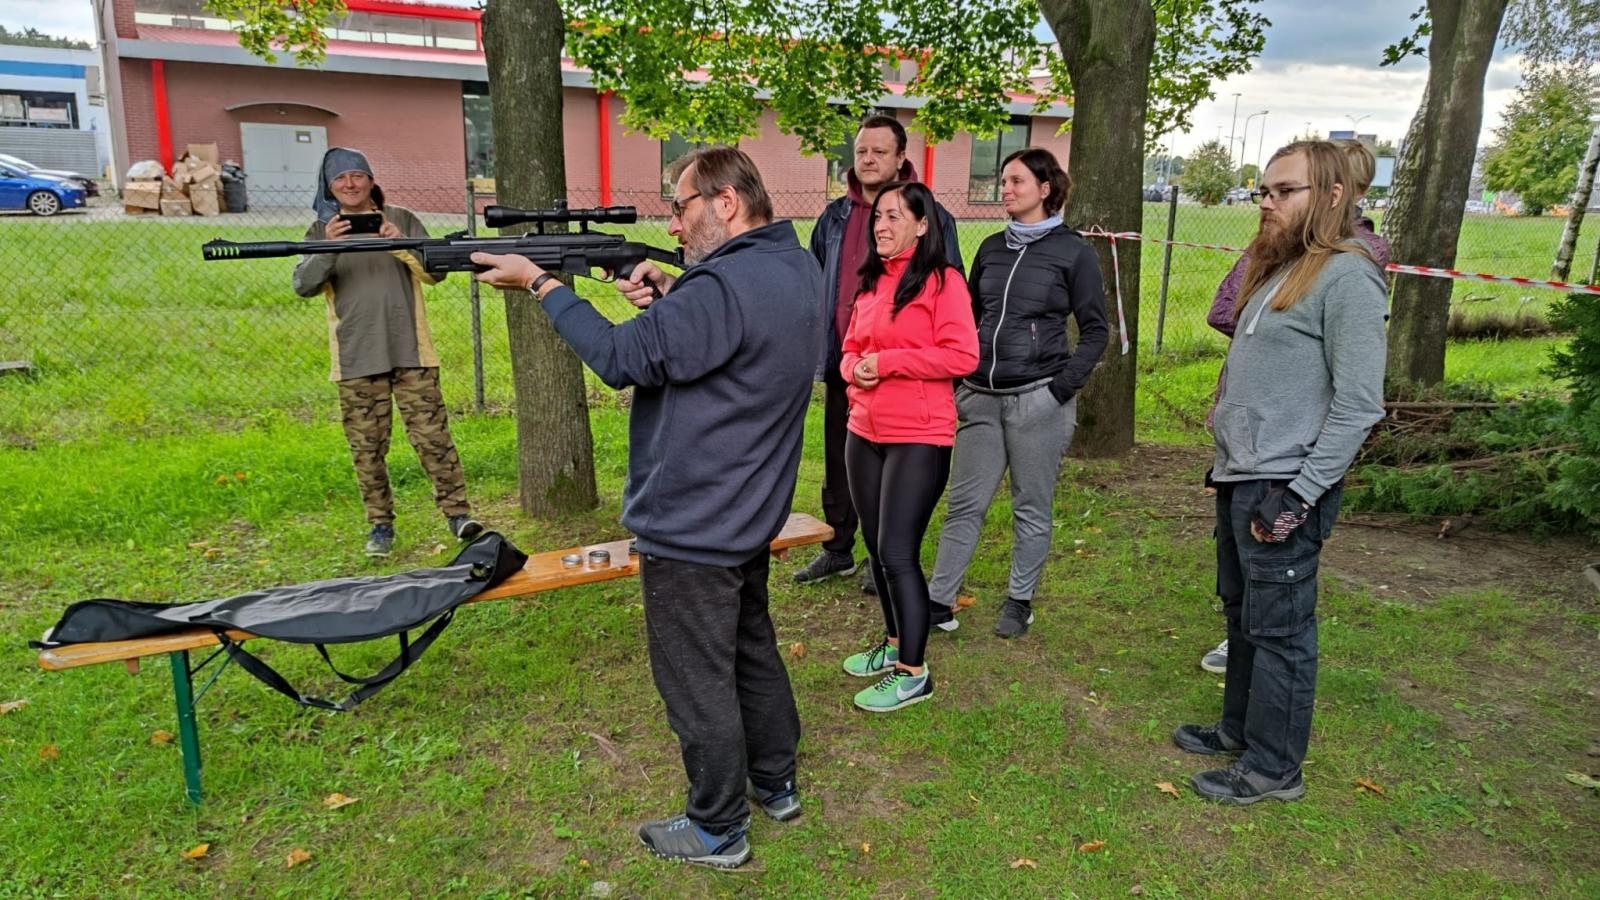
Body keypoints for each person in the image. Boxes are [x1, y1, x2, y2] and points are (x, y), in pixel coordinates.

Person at [471, 147, 821, 868]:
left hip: (694, 520)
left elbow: (618, 358)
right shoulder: (792, 267)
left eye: (681, 207)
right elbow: (723, 341)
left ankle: (717, 827)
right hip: (747, 508)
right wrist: (675, 293)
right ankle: (775, 781)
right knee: (749, 647)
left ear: (726, 202)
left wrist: (541, 283)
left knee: (697, 677)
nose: (674, 224)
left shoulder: (721, 287)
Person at [1173, 140, 1388, 804]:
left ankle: (1273, 769)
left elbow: (1359, 404)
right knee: (1244, 614)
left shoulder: (1349, 277)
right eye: (1263, 191)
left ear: (1332, 196)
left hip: (1285, 485)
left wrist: (1301, 493)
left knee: (1282, 631)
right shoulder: (1281, 267)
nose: (1267, 202)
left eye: (1284, 191)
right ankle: (1239, 731)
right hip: (1242, 475)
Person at [925, 147, 1108, 638]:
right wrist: (961, 380)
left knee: (1030, 507)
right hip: (980, 398)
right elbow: (967, 318)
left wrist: (1058, 391)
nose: (1004, 189)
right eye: (1003, 181)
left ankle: (1019, 602)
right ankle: (939, 601)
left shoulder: (1074, 252)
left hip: (1038, 400)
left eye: (1016, 181)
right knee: (964, 505)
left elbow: (1096, 331)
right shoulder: (991, 248)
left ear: (1045, 190)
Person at [793, 114, 964, 594]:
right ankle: (838, 548)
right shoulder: (833, 218)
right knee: (841, 463)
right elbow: (816, 283)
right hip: (845, 362)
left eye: (879, 152)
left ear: (901, 158)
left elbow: (949, 290)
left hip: (905, 374)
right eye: (861, 151)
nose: (867, 160)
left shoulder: (931, 216)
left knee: (893, 470)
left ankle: (883, 556)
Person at [291, 147, 482, 558]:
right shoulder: (320, 230)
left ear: (371, 180)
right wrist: (329, 247)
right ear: (329, 187)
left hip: (412, 352)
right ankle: (380, 526)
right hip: (355, 358)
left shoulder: (401, 219)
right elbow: (303, 284)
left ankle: (458, 515)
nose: (350, 184)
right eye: (340, 178)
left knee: (433, 439)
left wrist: (401, 243)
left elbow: (436, 273)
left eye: (358, 175)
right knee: (368, 449)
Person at [838, 181, 978, 712]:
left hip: (919, 435)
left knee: (898, 552)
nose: (881, 225)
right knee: (876, 550)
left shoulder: (943, 282)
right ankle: (895, 644)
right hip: (863, 431)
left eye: (894, 216)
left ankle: (914, 674)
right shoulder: (871, 282)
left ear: (922, 225)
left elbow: (962, 356)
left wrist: (888, 363)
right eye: (878, 216)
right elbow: (849, 350)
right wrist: (854, 369)